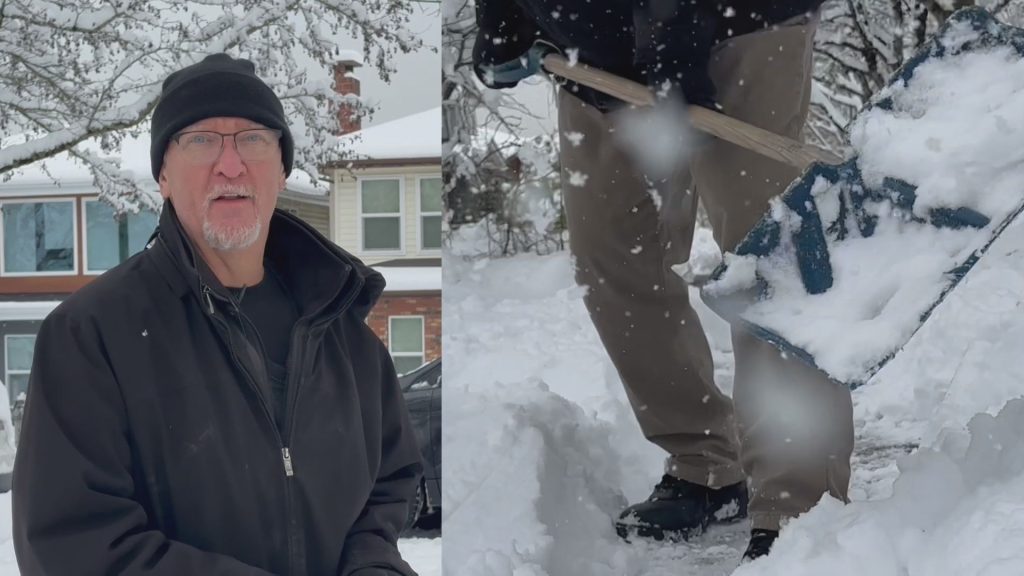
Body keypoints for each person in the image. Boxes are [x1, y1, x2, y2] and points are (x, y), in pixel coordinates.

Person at [12, 53, 422, 576]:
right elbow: (73, 546)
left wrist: (374, 566)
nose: (231, 165)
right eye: (201, 140)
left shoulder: (341, 330)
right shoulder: (91, 336)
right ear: (163, 174)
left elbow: (386, 489)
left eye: (253, 138)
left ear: (280, 168)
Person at [473, 0, 854, 561]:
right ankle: (703, 462)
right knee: (612, 255)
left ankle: (800, 503)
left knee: (766, 255)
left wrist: (676, 34)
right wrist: (504, 16)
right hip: (596, 46)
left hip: (743, 22)